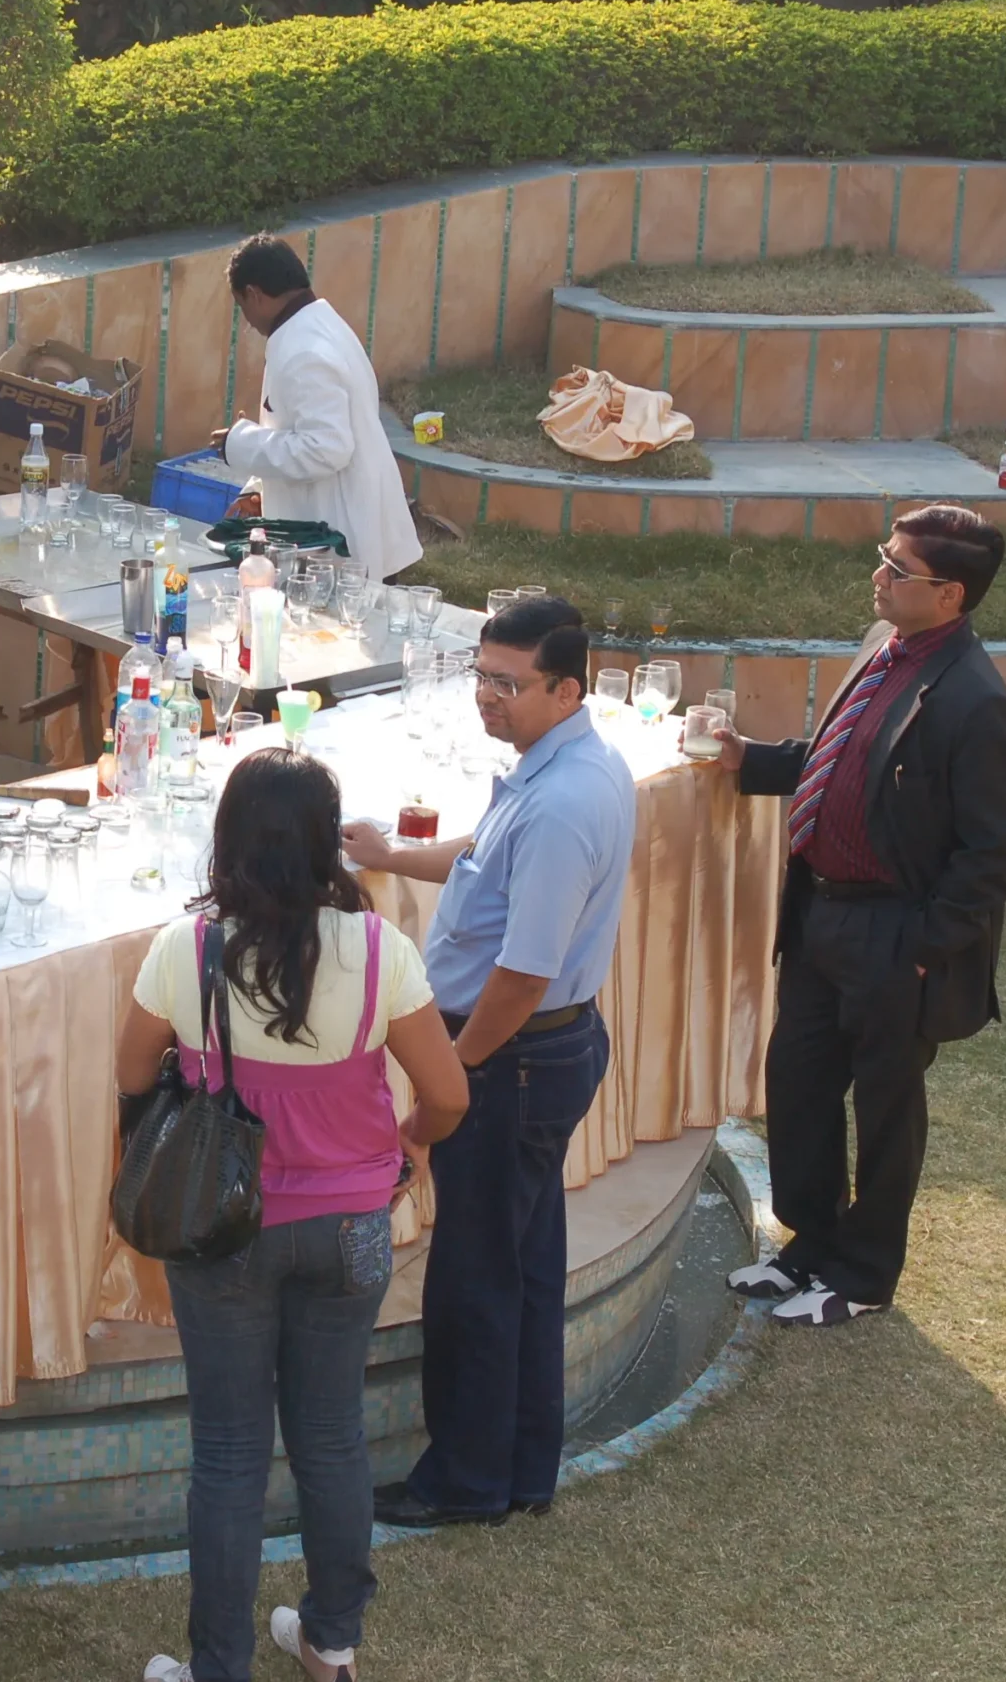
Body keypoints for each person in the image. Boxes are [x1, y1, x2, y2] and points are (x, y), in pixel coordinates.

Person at [121, 749, 466, 1682]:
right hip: (352, 1227)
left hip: (222, 1231)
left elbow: (129, 1072)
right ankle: (331, 1641)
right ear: (325, 840)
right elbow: (448, 1095)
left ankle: (219, 1667)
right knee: (332, 1435)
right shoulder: (381, 951)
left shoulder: (185, 948)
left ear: (227, 837)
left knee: (228, 1455)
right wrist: (412, 1143)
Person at [338, 597, 636, 1528]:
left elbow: (523, 973)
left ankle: (465, 1483)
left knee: (473, 1277)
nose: (485, 697)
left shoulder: (562, 803)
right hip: (531, 1055)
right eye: (481, 676)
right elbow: (485, 862)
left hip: (510, 1060)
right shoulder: (564, 765)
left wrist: (453, 1074)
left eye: (508, 684)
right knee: (522, 1267)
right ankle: (520, 1468)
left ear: (566, 689)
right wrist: (395, 854)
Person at [698, 505, 1006, 1327]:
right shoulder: (884, 644)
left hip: (895, 936)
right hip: (821, 914)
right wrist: (751, 758)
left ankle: (866, 1275)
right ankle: (809, 1245)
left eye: (898, 569)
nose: (878, 575)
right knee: (799, 1085)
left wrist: (923, 948)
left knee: (885, 1110)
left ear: (949, 595)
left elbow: (994, 851)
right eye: (884, 557)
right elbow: (845, 756)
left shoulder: (976, 700)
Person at [210, 235, 421, 582]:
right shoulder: (317, 325)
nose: (246, 320)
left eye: (242, 306)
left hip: (341, 541)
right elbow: (299, 429)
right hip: (347, 521)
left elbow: (327, 448)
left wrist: (239, 444)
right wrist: (261, 486)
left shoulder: (304, 349)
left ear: (254, 294)